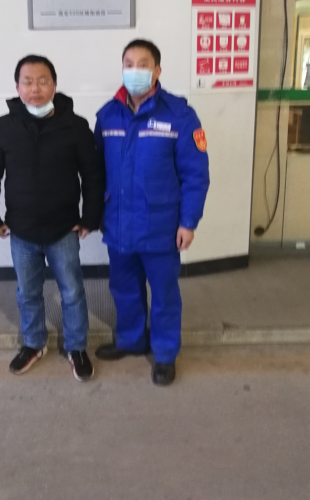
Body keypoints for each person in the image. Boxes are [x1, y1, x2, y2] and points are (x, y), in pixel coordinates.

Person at [0, 55, 104, 382]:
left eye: (43, 81)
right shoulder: (4, 127)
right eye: (28, 82)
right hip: (21, 231)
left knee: (72, 291)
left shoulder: (75, 126)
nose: (35, 88)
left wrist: (90, 217)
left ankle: (76, 347)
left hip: (63, 229)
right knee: (28, 292)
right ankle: (34, 343)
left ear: (54, 85)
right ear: (17, 86)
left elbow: (93, 176)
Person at [94, 39, 210, 386]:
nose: (135, 70)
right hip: (118, 224)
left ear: (157, 70)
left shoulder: (179, 115)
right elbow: (95, 170)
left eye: (143, 64)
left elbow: (195, 175)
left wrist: (188, 222)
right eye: (128, 64)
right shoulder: (108, 115)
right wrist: (93, 214)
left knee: (163, 294)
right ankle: (131, 340)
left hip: (161, 226)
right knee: (124, 288)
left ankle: (164, 353)